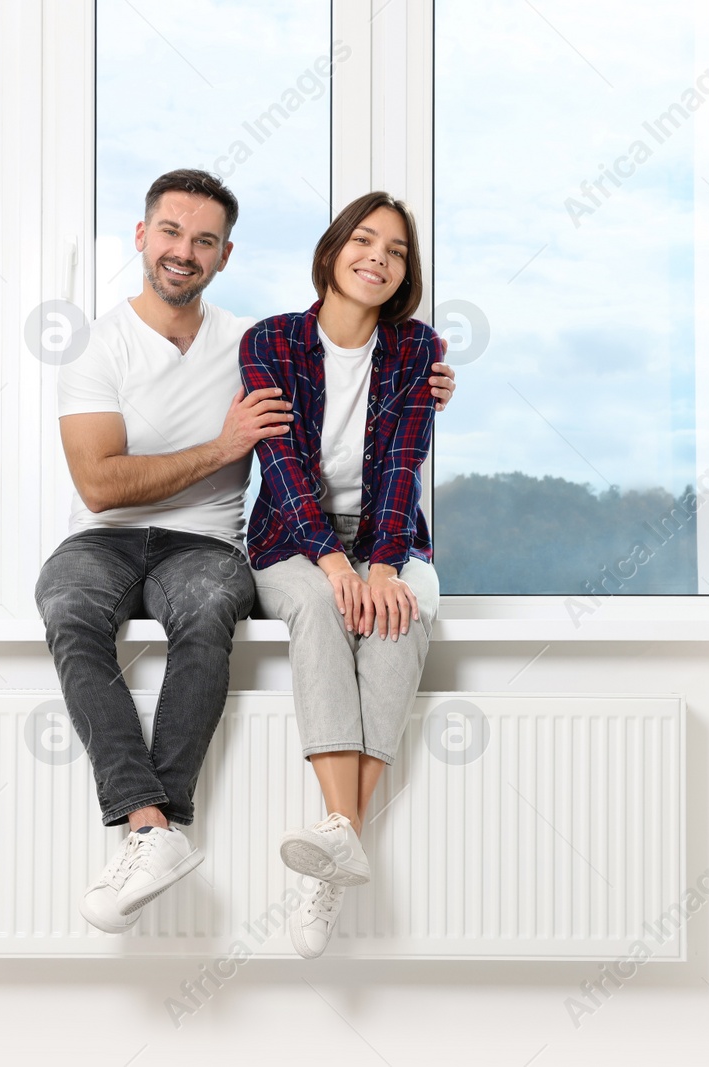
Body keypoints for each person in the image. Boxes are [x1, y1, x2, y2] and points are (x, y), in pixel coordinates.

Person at [34, 170, 458, 935]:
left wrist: (430, 386)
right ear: (141, 236)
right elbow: (99, 485)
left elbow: (389, 432)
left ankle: (335, 839)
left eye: (203, 241)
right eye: (170, 232)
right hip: (114, 538)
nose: (183, 252)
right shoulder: (107, 344)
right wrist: (228, 448)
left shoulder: (247, 338)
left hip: (208, 542)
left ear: (226, 255)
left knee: (213, 612)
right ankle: (149, 827)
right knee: (66, 606)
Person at [240, 191, 441, 958]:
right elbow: (281, 464)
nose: (378, 259)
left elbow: (400, 462)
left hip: (390, 535)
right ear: (332, 251)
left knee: (400, 619)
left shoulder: (417, 348)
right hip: (291, 536)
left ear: (405, 274)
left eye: (396, 251)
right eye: (365, 240)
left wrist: (384, 565)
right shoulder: (272, 341)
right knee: (321, 611)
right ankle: (347, 837)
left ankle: (332, 852)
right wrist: (332, 560)